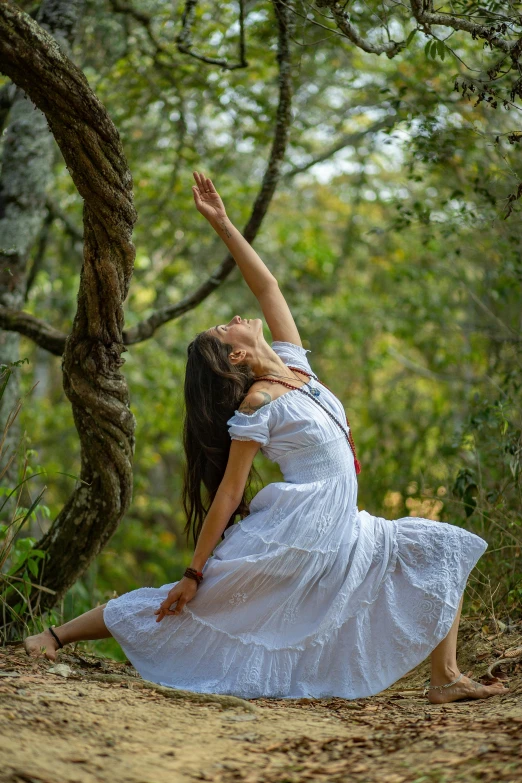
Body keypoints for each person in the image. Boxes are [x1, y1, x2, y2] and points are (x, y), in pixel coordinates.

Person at [25, 171, 508, 705]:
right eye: (223, 328)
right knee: (189, 601)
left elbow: (267, 286)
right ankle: (52, 636)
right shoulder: (257, 405)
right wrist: (194, 568)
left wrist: (223, 223)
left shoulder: (296, 367)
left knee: (442, 546)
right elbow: (230, 492)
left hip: (339, 527)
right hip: (294, 534)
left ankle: (446, 679)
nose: (234, 317)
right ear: (236, 356)